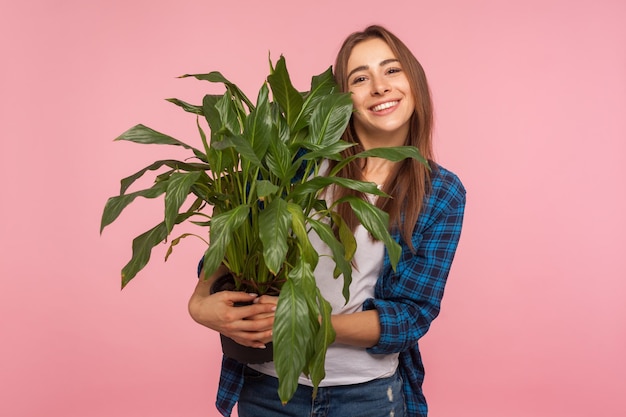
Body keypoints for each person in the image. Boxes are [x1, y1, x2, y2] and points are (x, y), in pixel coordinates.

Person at [188, 25, 466, 417]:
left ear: (414, 82)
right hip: (269, 390)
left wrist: (316, 324)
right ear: (342, 99)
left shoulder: (442, 192)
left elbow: (410, 315)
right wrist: (200, 304)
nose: (379, 87)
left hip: (367, 397)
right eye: (360, 77)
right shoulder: (297, 162)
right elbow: (236, 246)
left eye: (391, 70)